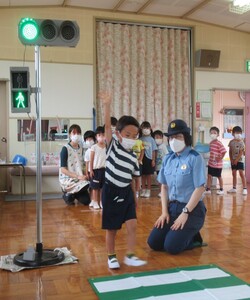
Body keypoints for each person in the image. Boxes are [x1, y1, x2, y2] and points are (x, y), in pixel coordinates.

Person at [100, 91, 147, 269]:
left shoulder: (133, 156)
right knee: (112, 228)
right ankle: (111, 256)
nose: (131, 138)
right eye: (128, 134)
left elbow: (135, 178)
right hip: (111, 191)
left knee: (133, 225)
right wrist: (106, 105)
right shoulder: (112, 146)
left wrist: (135, 196)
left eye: (135, 136)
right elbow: (106, 127)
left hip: (126, 192)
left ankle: (130, 255)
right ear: (118, 134)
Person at [147, 119, 207, 254]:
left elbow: (200, 188)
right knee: (154, 243)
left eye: (178, 136)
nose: (174, 140)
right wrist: (164, 212)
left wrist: (185, 213)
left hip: (192, 210)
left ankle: (194, 237)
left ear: (186, 138)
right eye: (171, 137)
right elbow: (164, 187)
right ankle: (178, 232)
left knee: (171, 247)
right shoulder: (168, 158)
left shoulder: (195, 158)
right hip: (172, 208)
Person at [59, 124, 90, 206]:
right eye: (74, 133)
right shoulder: (65, 149)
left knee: (86, 201)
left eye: (78, 133)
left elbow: (83, 164)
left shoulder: (81, 148)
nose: (76, 135)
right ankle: (68, 194)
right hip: (68, 179)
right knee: (69, 199)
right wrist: (77, 176)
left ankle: (74, 193)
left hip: (80, 179)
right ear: (69, 134)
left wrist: (86, 174)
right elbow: (63, 169)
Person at [203, 126, 227, 195]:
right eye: (211, 133)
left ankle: (221, 189)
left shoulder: (219, 143)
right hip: (211, 163)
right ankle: (208, 189)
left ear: (218, 134)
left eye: (214, 133)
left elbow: (224, 151)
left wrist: (220, 158)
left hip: (218, 165)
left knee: (219, 176)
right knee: (209, 176)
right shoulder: (211, 143)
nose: (213, 134)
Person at [89, 126, 106, 209]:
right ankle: (95, 201)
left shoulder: (107, 147)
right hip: (96, 170)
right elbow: (91, 160)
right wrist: (91, 170)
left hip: (105, 170)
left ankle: (102, 202)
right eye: (99, 135)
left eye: (103, 135)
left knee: (103, 188)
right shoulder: (94, 147)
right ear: (96, 137)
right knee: (95, 187)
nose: (101, 137)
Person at [228, 126, 247, 195]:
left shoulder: (242, 142)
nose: (238, 134)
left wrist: (236, 160)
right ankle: (234, 188)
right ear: (233, 134)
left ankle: (244, 188)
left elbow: (241, 152)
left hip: (240, 160)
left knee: (241, 173)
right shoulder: (231, 142)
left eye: (239, 133)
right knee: (234, 173)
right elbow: (230, 151)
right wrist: (231, 159)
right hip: (233, 160)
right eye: (236, 133)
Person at [140, 121, 157, 198]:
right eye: (144, 128)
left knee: (148, 176)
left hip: (149, 159)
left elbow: (154, 150)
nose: (146, 129)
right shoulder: (140, 139)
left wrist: (153, 160)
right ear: (141, 129)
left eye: (147, 128)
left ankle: (149, 190)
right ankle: (143, 189)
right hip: (141, 159)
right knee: (143, 175)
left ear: (150, 129)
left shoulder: (152, 139)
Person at [152, 130, 168, 197]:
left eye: (159, 137)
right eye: (156, 137)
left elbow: (167, 155)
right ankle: (160, 191)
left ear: (162, 138)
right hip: (157, 167)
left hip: (163, 167)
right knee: (159, 180)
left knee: (163, 180)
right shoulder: (154, 147)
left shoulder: (163, 146)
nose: (157, 139)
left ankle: (164, 192)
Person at [83, 130, 96, 207]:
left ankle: (96, 200)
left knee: (97, 187)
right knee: (91, 186)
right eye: (87, 140)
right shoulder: (87, 151)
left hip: (96, 170)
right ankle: (92, 200)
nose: (89, 141)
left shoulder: (96, 148)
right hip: (90, 171)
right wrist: (86, 172)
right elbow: (87, 162)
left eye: (90, 139)